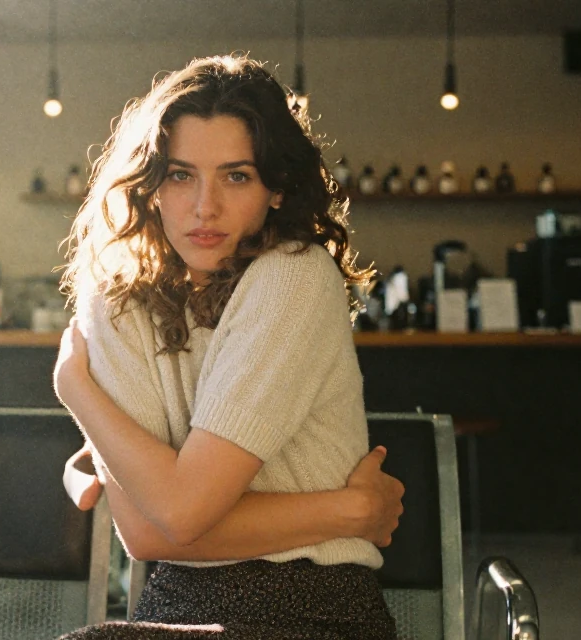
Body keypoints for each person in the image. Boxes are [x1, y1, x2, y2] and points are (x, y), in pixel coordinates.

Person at [52, 54, 402, 639]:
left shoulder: (294, 275)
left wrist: (77, 391)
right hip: (170, 606)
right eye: (181, 174)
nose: (204, 206)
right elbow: (144, 535)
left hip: (313, 609)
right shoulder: (114, 300)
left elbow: (180, 516)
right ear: (151, 186)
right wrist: (346, 512)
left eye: (236, 175)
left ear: (276, 189)